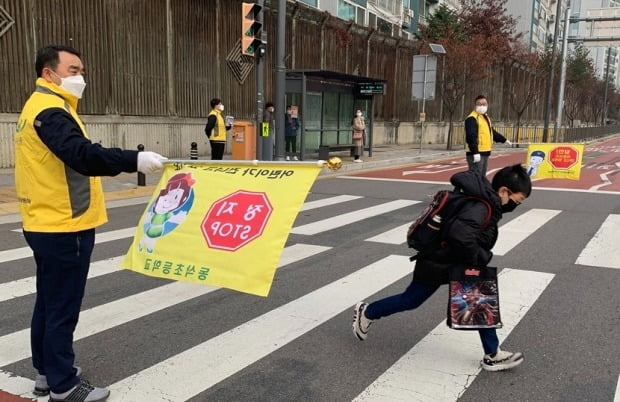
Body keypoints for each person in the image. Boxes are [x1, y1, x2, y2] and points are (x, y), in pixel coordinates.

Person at [14, 45, 165, 402]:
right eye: (73, 69)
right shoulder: (50, 111)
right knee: (62, 305)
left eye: (81, 70)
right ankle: (64, 385)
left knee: (49, 302)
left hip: (44, 220)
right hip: (64, 224)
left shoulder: (39, 107)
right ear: (49, 73)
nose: (80, 77)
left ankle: (46, 373)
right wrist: (134, 159)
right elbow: (82, 155)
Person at [353, 164, 532, 372]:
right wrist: (480, 256)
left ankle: (492, 354)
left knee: (479, 302)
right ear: (504, 191)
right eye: (517, 200)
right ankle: (368, 311)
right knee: (411, 300)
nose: (516, 204)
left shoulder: (486, 202)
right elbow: (460, 236)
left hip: (452, 259)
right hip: (438, 261)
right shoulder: (481, 207)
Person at [465, 95, 512, 176]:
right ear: (475, 105)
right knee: (475, 177)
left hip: (485, 151)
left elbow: (491, 132)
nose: (482, 106)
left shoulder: (485, 117)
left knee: (482, 177)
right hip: (476, 152)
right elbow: (471, 136)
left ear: (487, 105)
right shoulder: (472, 118)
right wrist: (475, 152)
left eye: (484, 104)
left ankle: (481, 189)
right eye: (479, 104)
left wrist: (504, 140)